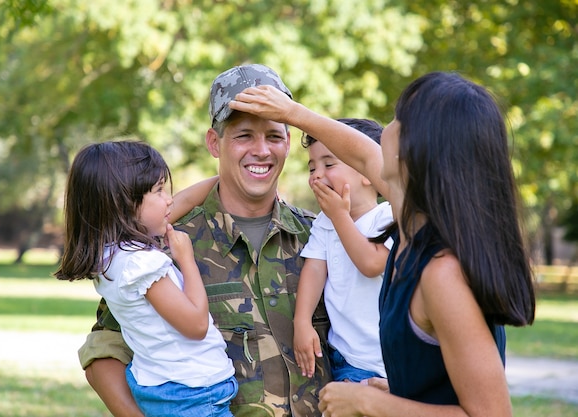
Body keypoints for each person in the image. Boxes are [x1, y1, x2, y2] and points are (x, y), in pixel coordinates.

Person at [229, 71, 536, 417]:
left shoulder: (443, 274)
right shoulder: (411, 229)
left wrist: (370, 402)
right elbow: (361, 155)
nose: (384, 129)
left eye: (398, 119)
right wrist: (291, 113)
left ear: (414, 150)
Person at [77, 64, 331, 417]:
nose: (261, 150)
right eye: (244, 135)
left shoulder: (322, 239)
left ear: (288, 142)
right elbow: (104, 349)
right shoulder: (162, 246)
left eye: (274, 136)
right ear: (215, 142)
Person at [54, 141, 238, 417]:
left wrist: (231, 179)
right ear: (124, 203)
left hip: (169, 388)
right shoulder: (141, 264)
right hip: (193, 395)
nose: (169, 199)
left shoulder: (112, 255)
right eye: (159, 190)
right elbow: (196, 325)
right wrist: (186, 259)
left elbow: (186, 200)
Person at [293, 118, 393, 386]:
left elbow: (372, 263)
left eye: (329, 164)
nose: (316, 174)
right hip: (345, 359)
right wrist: (302, 321)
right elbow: (314, 268)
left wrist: (339, 217)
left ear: (368, 171)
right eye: (312, 167)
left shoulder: (388, 217)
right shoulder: (325, 222)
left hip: (383, 362)